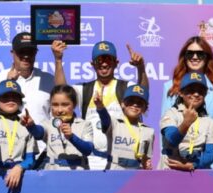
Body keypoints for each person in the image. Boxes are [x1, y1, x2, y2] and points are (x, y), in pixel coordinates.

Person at [52, 40, 147, 171]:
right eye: (99, 60)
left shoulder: (125, 87)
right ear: (92, 64)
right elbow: (61, 91)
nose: (104, 63)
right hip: (91, 160)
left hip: (120, 161)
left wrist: (141, 68)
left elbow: (143, 93)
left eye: (108, 59)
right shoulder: (84, 89)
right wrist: (58, 60)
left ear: (116, 63)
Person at [163, 36, 213, 168]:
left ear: (207, 57)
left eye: (200, 54)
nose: (195, 57)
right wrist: (167, 159)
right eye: (190, 53)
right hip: (178, 159)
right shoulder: (170, 87)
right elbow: (166, 131)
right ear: (184, 57)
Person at [0, 32, 54, 134]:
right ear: (12, 53)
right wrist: (8, 82)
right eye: (22, 52)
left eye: (30, 52)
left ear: (36, 53)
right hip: (8, 142)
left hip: (41, 142)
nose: (26, 56)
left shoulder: (48, 79)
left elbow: (56, 117)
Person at [0, 79, 37, 191]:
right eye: (5, 97)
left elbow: (31, 159)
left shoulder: (26, 123)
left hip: (16, 180)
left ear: (20, 101)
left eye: (15, 97)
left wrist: (20, 167)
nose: (11, 100)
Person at [159, 72, 213, 171]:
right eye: (191, 90)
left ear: (205, 94)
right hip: (170, 169)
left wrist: (192, 165)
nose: (196, 94)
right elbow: (172, 139)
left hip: (196, 171)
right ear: (181, 93)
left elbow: (210, 156)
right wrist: (186, 123)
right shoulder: (171, 114)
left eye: (200, 91)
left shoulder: (210, 122)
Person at [94, 82, 153, 170]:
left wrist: (147, 165)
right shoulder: (114, 123)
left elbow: (146, 158)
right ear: (122, 104)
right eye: (130, 101)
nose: (135, 104)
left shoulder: (149, 132)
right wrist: (100, 107)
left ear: (145, 109)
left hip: (135, 174)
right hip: (114, 171)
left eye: (140, 103)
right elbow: (105, 118)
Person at [34, 85, 94, 170]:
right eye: (55, 105)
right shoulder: (48, 124)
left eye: (65, 105)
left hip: (78, 173)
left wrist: (72, 137)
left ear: (74, 105)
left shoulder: (84, 124)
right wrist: (31, 126)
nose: (60, 110)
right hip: (53, 173)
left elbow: (88, 150)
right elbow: (38, 133)